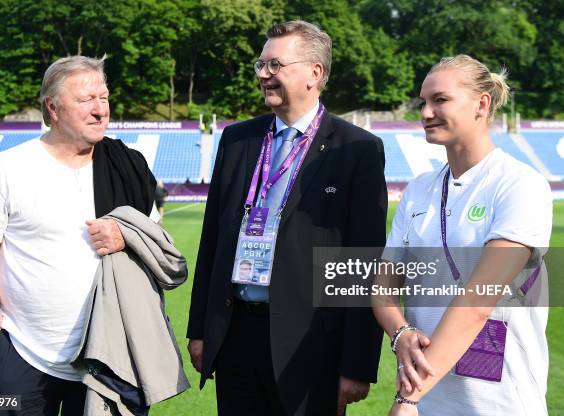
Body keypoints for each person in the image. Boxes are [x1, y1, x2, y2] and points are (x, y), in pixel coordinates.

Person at [187, 20, 387, 416]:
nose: (263, 75)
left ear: (314, 73)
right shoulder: (237, 139)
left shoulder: (358, 149)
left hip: (311, 347)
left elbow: (362, 262)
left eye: (275, 64)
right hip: (236, 337)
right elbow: (213, 241)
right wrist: (200, 330)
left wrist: (357, 363)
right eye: (260, 65)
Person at [0, 55, 162, 415]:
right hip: (22, 356)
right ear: (52, 107)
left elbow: (157, 248)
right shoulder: (8, 169)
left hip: (110, 357)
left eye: (105, 97)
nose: (101, 110)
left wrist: (125, 237)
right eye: (86, 100)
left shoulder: (128, 165)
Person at [372, 55, 552, 415]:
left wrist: (407, 399)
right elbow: (383, 288)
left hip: (500, 404)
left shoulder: (520, 185)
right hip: (432, 403)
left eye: (440, 100)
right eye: (422, 102)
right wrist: (401, 332)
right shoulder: (418, 190)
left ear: (481, 104)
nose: (425, 112)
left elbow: (478, 303)